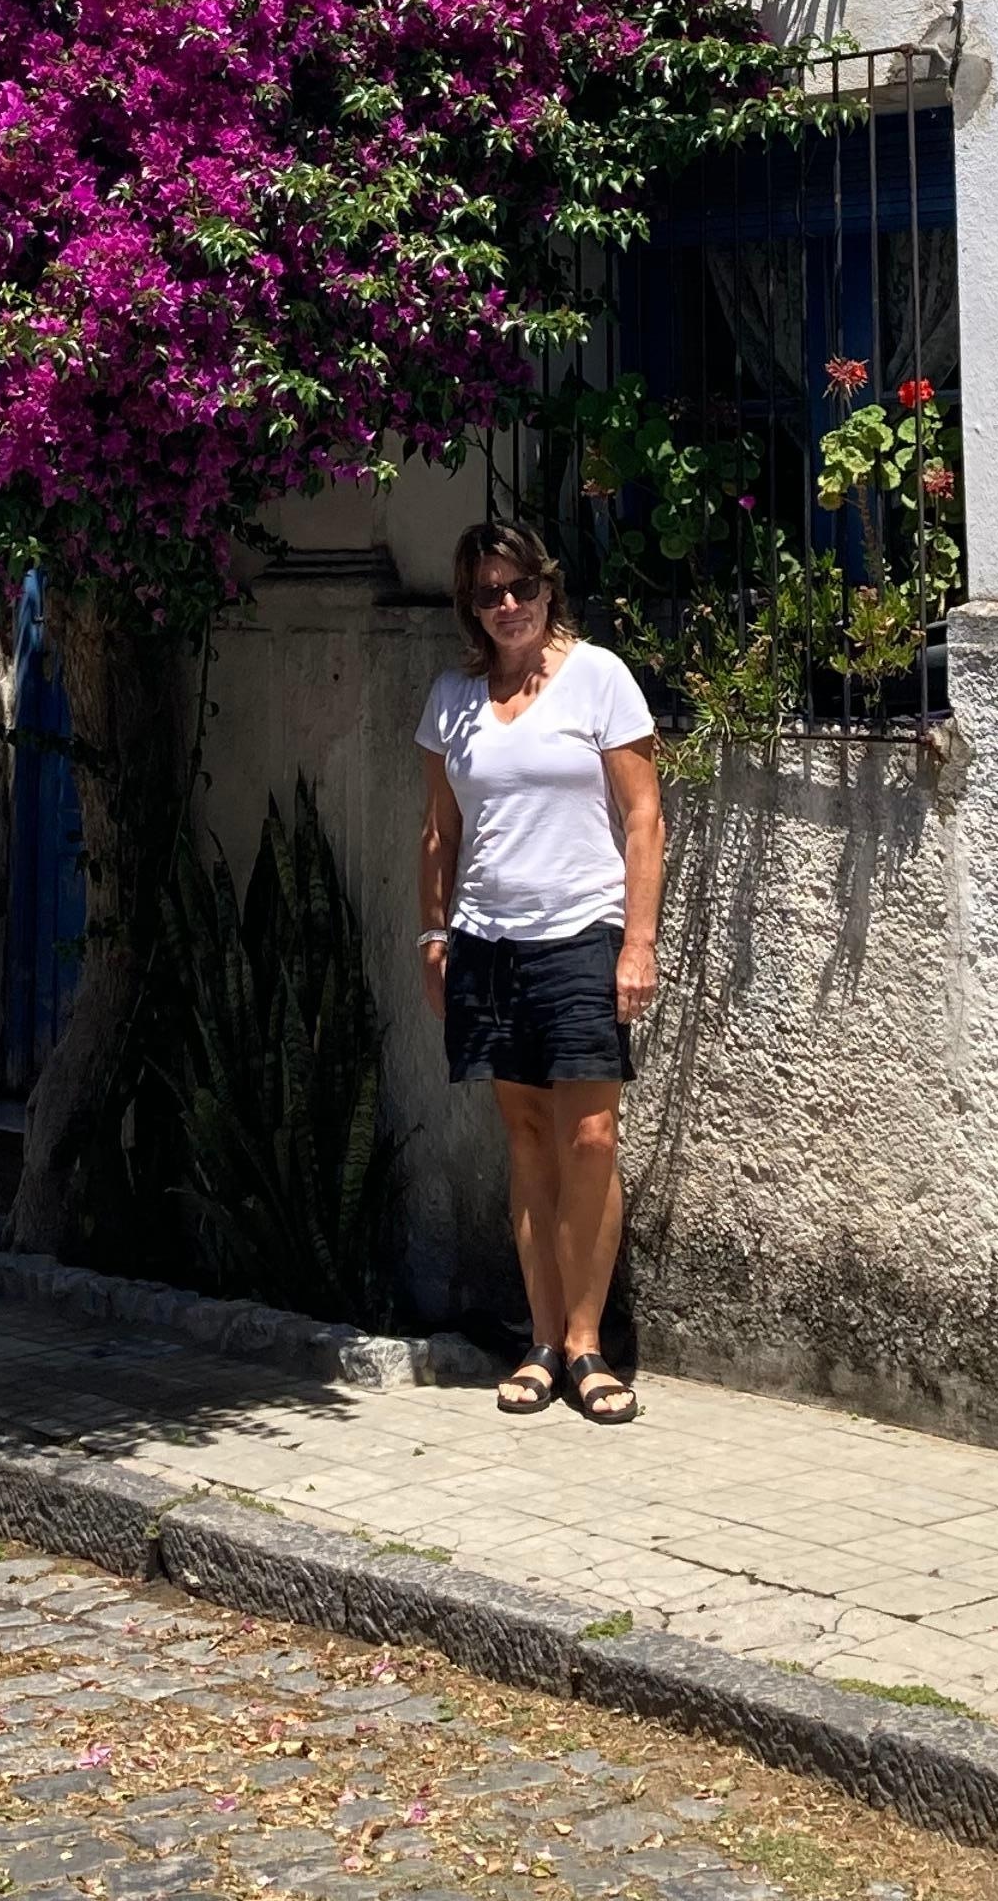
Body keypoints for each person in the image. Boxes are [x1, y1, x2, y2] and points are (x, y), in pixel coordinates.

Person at [416, 517, 662, 1426]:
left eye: (520, 586)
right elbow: (440, 831)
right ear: (470, 607)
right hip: (487, 941)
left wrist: (637, 943)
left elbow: (643, 821)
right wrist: (432, 938)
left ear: (548, 589)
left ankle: (592, 1346)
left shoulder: (598, 677)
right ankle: (544, 1340)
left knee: (590, 1135)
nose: (507, 605)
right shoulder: (454, 696)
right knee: (524, 1139)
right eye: (488, 592)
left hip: (582, 935)